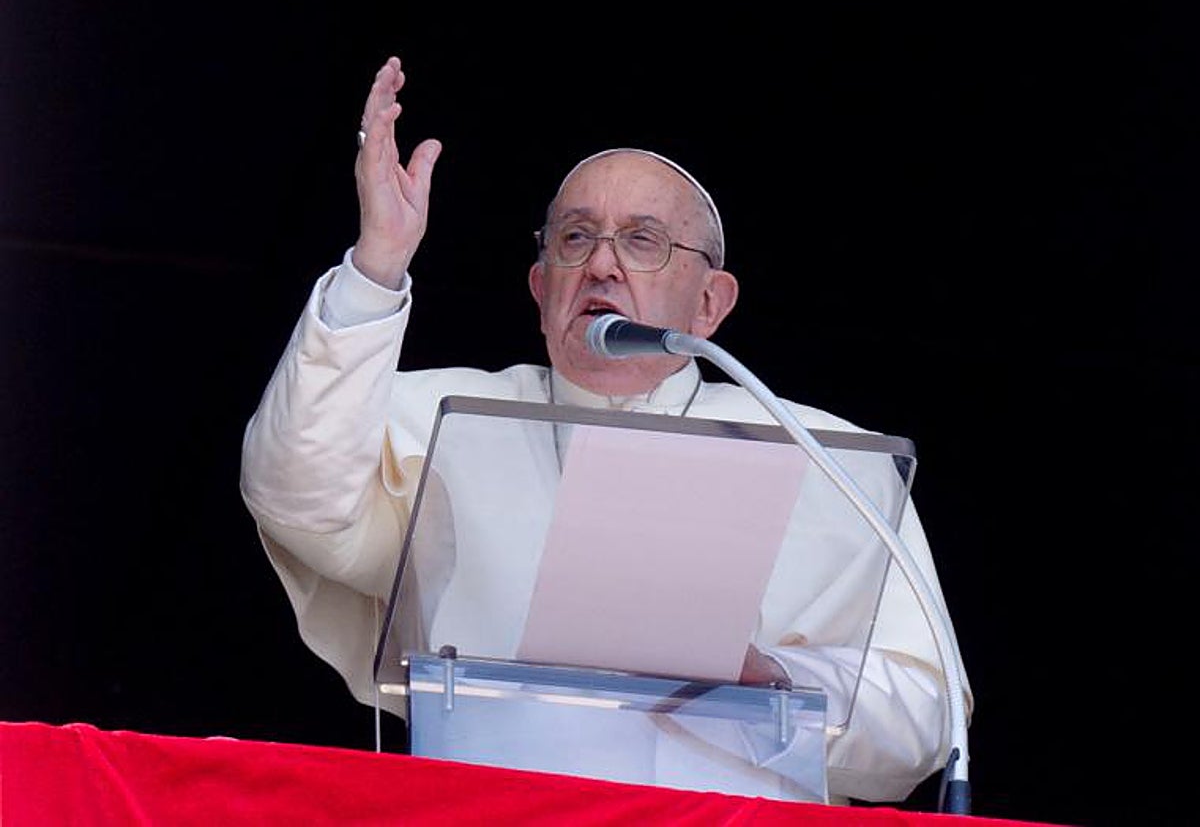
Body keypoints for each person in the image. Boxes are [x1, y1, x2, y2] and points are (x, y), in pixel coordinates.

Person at [240, 55, 972, 805]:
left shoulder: (819, 452)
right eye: (576, 240)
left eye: (643, 241)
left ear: (710, 303)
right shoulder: (437, 416)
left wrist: (775, 682)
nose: (603, 266)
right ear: (540, 286)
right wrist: (377, 266)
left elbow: (926, 718)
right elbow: (296, 496)